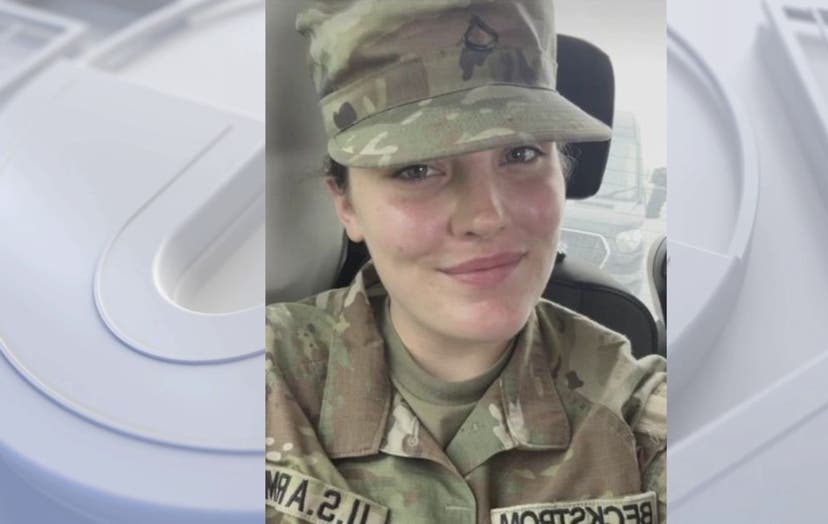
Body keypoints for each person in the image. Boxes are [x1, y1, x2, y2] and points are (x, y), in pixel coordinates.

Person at [265, 1, 667, 523]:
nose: (486, 217)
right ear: (346, 205)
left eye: (521, 154)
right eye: (416, 169)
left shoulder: (640, 418)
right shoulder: (260, 379)